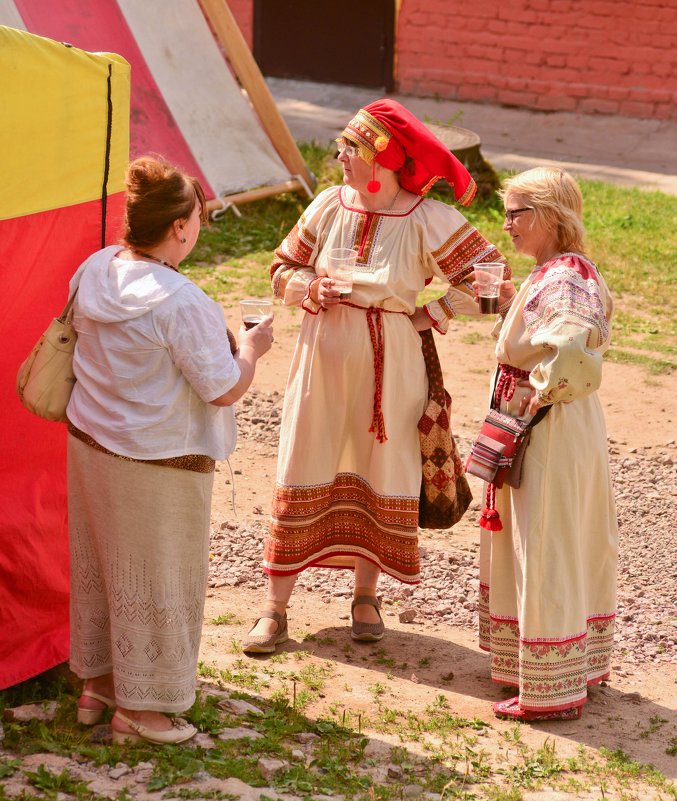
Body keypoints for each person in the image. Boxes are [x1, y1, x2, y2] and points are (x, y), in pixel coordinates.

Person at [243, 99, 506, 654]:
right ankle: (275, 608)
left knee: (379, 466)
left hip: (394, 372)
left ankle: (367, 596)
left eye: (349, 148)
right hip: (320, 362)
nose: (338, 155)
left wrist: (430, 313)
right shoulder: (326, 206)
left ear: (379, 156)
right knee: (304, 458)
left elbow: (496, 282)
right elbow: (281, 267)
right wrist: (309, 289)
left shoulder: (426, 218)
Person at [66, 156, 273, 744]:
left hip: (89, 443)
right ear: (181, 226)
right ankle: (144, 710)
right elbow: (224, 386)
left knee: (102, 569)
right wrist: (253, 348)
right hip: (157, 460)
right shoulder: (183, 302)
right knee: (157, 583)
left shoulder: (96, 268)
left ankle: (98, 686)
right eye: (199, 218)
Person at [477, 166, 618, 721]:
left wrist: (539, 394)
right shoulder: (556, 272)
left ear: (550, 217)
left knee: (548, 541)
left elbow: (572, 343)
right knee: (544, 538)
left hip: (551, 428)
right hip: (554, 423)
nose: (506, 224)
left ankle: (553, 691)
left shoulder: (564, 275)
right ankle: (546, 668)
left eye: (517, 213)